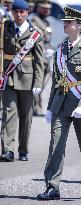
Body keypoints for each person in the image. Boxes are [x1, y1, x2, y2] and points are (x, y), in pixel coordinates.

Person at [37, 6, 81, 201]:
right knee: (55, 146)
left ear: (79, 25)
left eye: (69, 21)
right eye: (65, 21)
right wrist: (49, 106)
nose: (65, 23)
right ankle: (52, 187)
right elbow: (58, 81)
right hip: (61, 104)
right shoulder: (61, 48)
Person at [0, 0, 44, 162]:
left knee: (26, 117)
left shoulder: (35, 33)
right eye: (15, 11)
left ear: (27, 12)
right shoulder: (6, 27)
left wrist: (38, 83)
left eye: (21, 12)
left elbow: (39, 62)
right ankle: (7, 150)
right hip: (9, 77)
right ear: (12, 12)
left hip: (28, 79)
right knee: (8, 113)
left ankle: (23, 150)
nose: (18, 15)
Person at [30, 0, 52, 116]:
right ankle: (35, 107)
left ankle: (36, 106)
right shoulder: (34, 21)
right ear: (38, 9)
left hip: (46, 58)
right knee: (38, 83)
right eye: (44, 8)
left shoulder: (47, 22)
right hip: (38, 57)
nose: (47, 11)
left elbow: (48, 39)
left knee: (43, 83)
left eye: (48, 9)